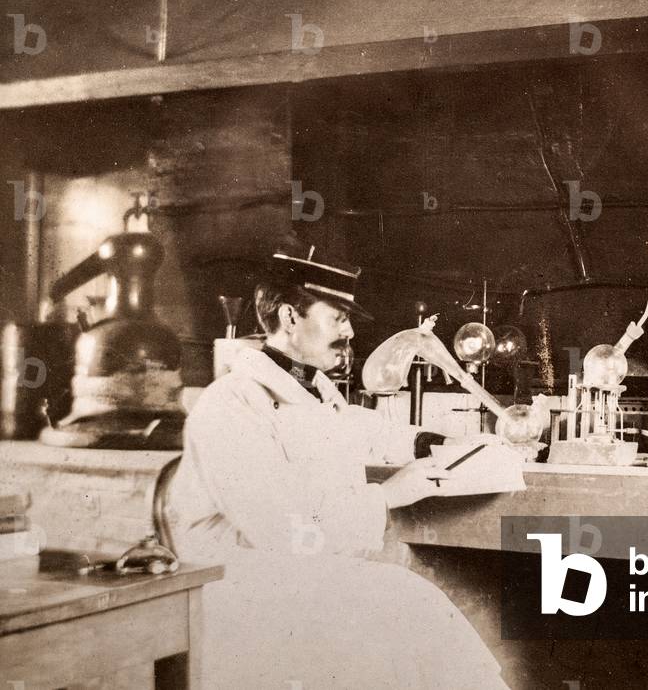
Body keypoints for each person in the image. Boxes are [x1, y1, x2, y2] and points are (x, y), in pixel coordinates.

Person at [166, 251, 508, 689]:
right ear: (290, 317)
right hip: (243, 588)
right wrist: (387, 495)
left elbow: (359, 429)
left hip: (302, 577)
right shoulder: (231, 405)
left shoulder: (313, 388)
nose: (349, 331)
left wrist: (433, 442)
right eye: (338, 318)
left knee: (410, 610)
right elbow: (282, 535)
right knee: (408, 604)